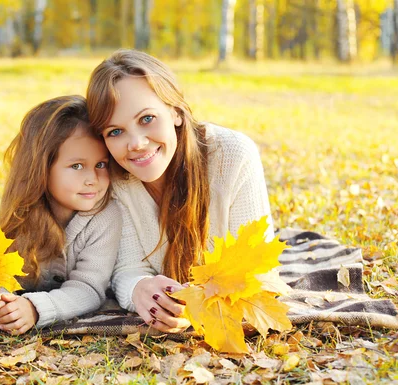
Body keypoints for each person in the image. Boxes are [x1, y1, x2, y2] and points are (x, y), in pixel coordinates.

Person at [86, 49, 273, 333]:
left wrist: (200, 305)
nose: (135, 143)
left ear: (174, 111)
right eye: (115, 131)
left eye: (147, 119)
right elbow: (127, 268)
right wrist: (140, 290)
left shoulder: (233, 155)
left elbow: (260, 272)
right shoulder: (115, 176)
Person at [0, 95, 121, 335]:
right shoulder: (19, 215)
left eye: (101, 164)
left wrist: (35, 308)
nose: (93, 179)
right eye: (77, 166)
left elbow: (88, 288)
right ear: (40, 168)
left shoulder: (106, 216)